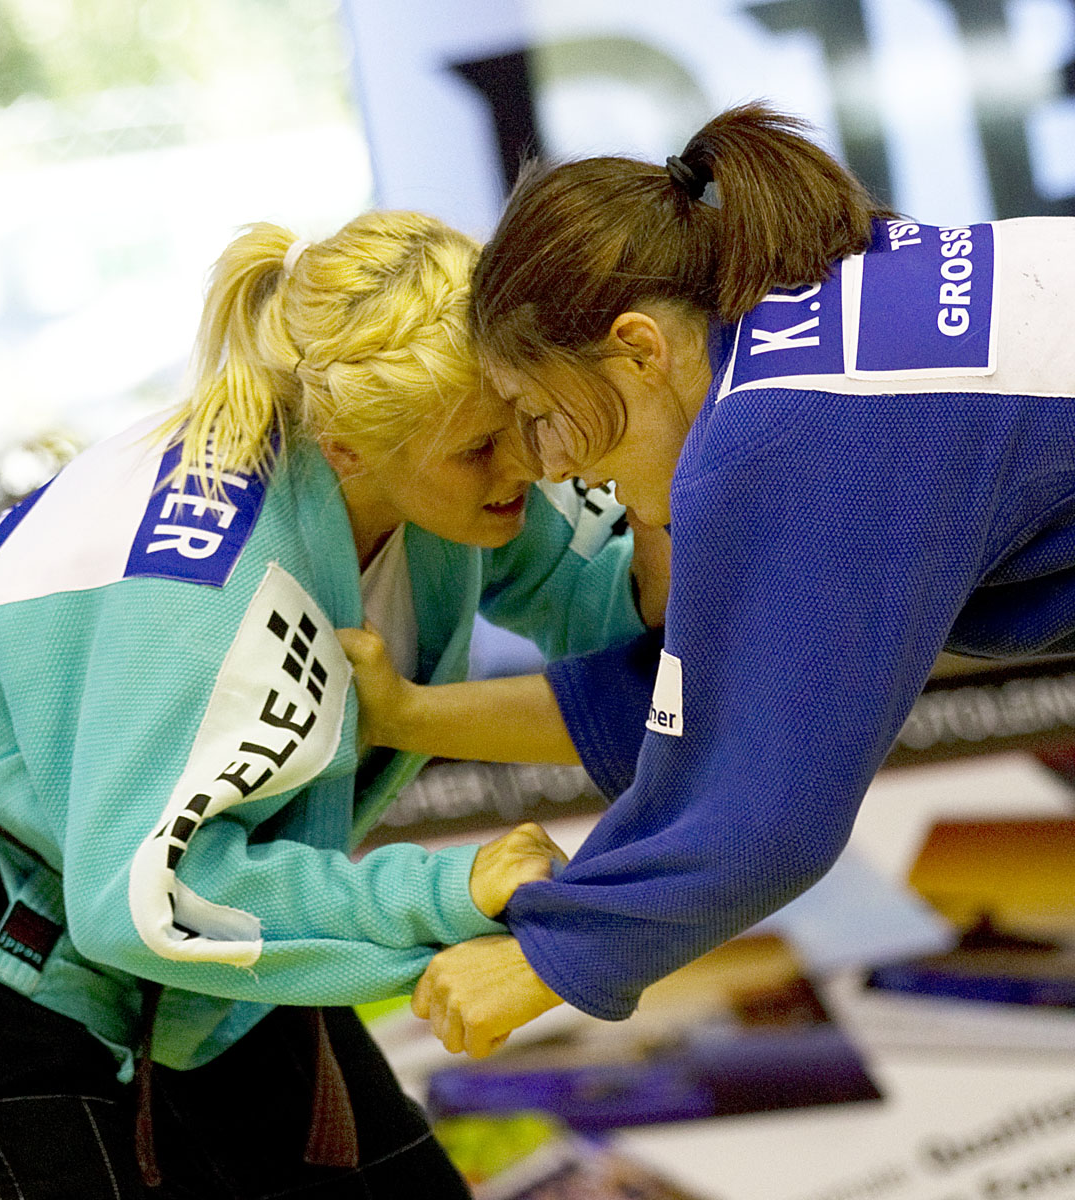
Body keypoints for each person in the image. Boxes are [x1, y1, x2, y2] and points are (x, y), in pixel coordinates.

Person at [0, 211, 656, 1198]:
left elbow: (602, 607)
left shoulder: (446, 434)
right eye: (481, 451)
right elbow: (148, 902)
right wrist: (446, 896)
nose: (527, 468)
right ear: (346, 449)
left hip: (147, 850)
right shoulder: (214, 602)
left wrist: (673, 508)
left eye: (525, 423)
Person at [351, 103, 1075, 1059]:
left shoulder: (778, 435)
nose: (551, 466)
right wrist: (408, 717)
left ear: (639, 349)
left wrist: (549, 953)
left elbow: (763, 811)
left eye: (538, 414)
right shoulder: (807, 315)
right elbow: (714, 698)